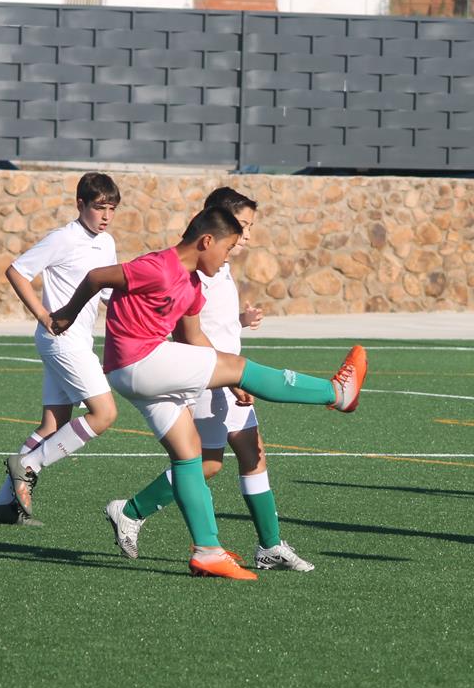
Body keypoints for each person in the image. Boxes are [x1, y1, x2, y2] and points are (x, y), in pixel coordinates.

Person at [45, 205, 367, 580]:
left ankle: (207, 551)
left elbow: (193, 338)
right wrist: (66, 313)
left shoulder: (193, 285)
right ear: (206, 241)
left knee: (190, 455)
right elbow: (97, 276)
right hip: (138, 362)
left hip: (140, 375)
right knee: (240, 366)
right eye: (227, 249)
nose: (228, 256)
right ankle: (335, 393)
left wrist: (231, 381)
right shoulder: (158, 266)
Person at [103, 187, 315, 573]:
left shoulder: (220, 266)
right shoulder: (198, 270)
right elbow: (189, 333)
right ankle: (132, 511)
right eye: (242, 227)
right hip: (208, 375)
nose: (246, 236)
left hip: (224, 372)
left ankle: (268, 545)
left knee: (252, 453)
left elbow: (209, 325)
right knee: (207, 463)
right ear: (215, 228)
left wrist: (240, 323)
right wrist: (229, 376)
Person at [0, 172, 121, 526]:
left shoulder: (106, 242)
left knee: (52, 424)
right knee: (104, 414)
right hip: (62, 341)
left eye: (111, 208)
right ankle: (28, 466)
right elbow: (16, 271)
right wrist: (43, 314)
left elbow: (107, 294)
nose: (105, 215)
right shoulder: (63, 238)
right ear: (80, 205)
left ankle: (2, 503)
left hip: (77, 341)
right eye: (98, 207)